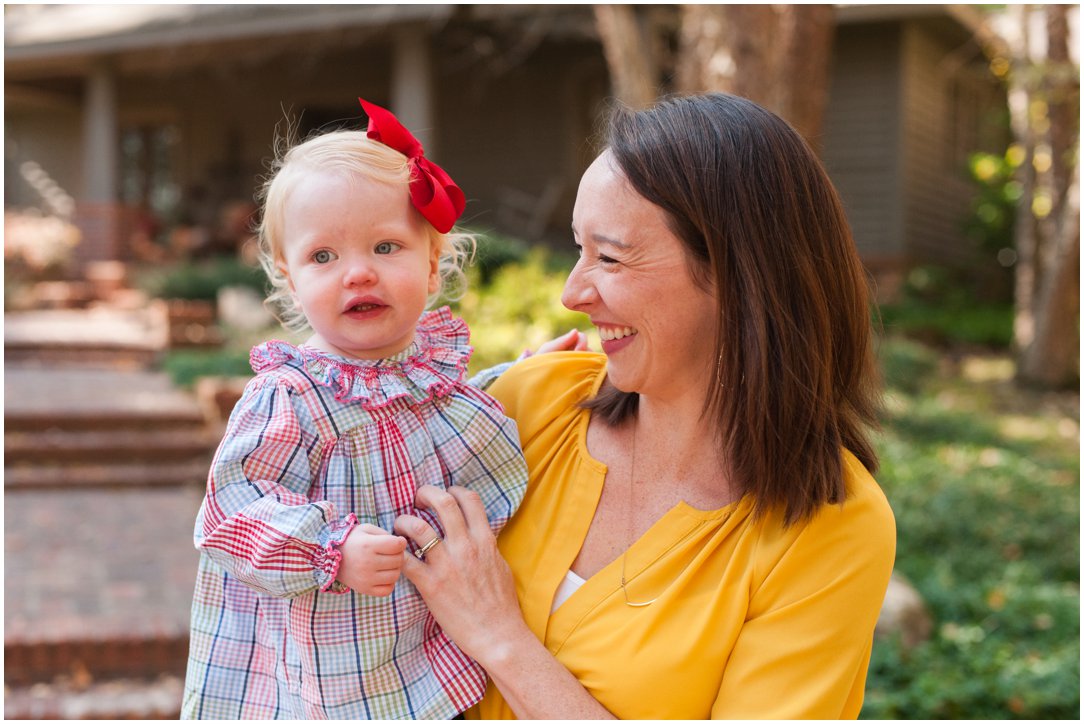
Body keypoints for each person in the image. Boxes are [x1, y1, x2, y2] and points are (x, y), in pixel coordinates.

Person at [392, 92, 897, 719]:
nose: (573, 292)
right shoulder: (530, 403)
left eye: (609, 257)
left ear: (740, 276)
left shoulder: (830, 526)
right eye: (578, 249)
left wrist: (500, 638)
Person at [181, 99, 528, 720]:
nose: (358, 274)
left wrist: (528, 372)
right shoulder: (290, 397)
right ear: (288, 278)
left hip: (421, 652)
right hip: (329, 677)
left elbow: (446, 412)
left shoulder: (424, 370)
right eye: (324, 257)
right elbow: (231, 511)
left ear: (431, 264)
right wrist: (330, 547)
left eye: (386, 246)